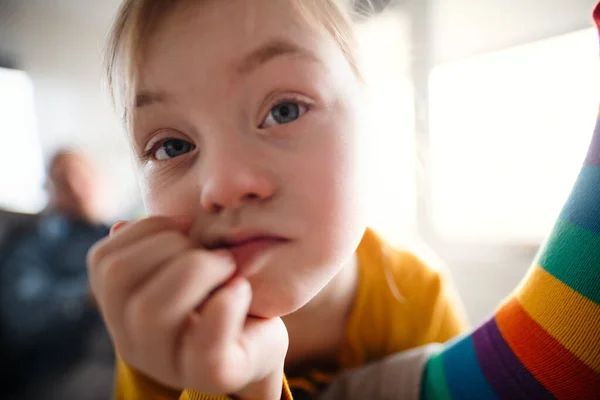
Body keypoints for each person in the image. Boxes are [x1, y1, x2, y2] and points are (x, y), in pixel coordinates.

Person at [89, 1, 469, 399]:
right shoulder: (159, 324)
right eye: (171, 146)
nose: (223, 185)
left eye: (284, 111)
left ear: (372, 124)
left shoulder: (418, 295)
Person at [0, 149, 112, 399]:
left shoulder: (117, 232)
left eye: (80, 177)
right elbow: (21, 313)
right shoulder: (37, 243)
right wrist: (88, 294)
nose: (75, 188)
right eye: (62, 181)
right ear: (50, 193)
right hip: (73, 368)